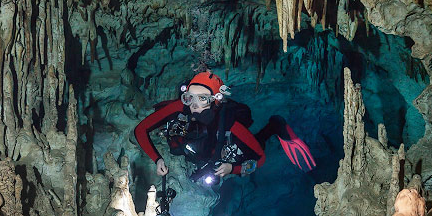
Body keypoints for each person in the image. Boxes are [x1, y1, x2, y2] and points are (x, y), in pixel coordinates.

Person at [133, 70, 315, 186]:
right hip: (198, 149)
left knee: (244, 150)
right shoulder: (180, 107)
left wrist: (232, 169)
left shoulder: (229, 123)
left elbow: (260, 159)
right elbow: (140, 130)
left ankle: (275, 126)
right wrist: (157, 159)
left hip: (224, 148)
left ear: (216, 101)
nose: (194, 105)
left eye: (202, 98)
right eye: (189, 97)